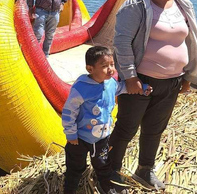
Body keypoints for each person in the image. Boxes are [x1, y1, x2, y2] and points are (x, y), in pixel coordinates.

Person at [109, 0, 197, 191]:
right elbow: (122, 43)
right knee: (126, 128)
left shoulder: (183, 4)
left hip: (172, 83)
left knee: (155, 130)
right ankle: (109, 171)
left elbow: (191, 41)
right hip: (140, 82)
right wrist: (131, 77)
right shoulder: (136, 5)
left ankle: (145, 169)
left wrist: (188, 76)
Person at [62, 46, 152, 194]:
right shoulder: (81, 88)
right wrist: (71, 134)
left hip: (101, 137)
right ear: (90, 69)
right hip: (80, 138)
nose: (110, 69)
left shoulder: (110, 83)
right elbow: (69, 112)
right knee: (75, 166)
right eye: (104, 66)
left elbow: (122, 88)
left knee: (103, 164)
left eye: (111, 64)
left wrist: (141, 88)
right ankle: (70, 189)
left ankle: (107, 186)